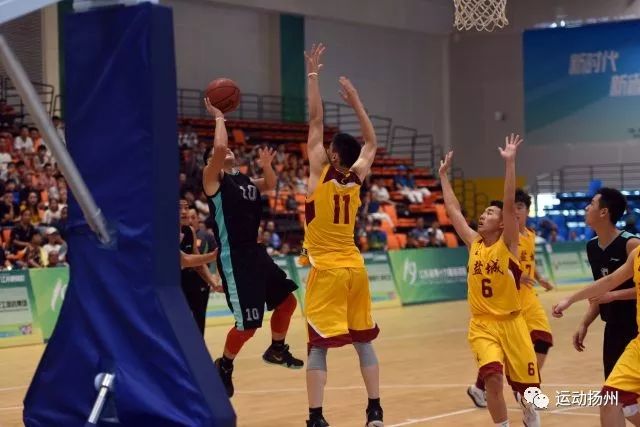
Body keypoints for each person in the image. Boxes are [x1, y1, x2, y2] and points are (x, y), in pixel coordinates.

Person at [202, 98, 303, 398]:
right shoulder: (213, 180)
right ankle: (224, 365)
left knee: (288, 302)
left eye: (229, 151)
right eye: (220, 153)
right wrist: (219, 117)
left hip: (256, 253)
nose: (227, 152)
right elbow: (220, 148)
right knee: (247, 326)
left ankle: (277, 349)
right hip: (235, 258)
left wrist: (268, 166)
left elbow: (269, 185)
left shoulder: (243, 180)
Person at [303, 43, 382, 427]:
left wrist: (313, 75)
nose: (326, 144)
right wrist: (356, 102)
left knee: (318, 346)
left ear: (333, 155)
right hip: (355, 269)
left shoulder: (320, 169)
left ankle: (316, 417)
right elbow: (372, 143)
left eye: (330, 146)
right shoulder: (357, 176)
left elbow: (315, 118)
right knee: (363, 340)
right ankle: (375, 410)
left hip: (328, 271)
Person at [439, 135, 540, 427]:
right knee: (493, 379)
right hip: (482, 325)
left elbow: (508, 203)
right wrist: (443, 177)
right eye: (483, 212)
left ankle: (529, 411)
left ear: (503, 223)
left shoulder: (508, 244)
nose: (483, 216)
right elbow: (454, 211)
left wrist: (510, 163)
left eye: (490, 213)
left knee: (528, 392)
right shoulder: (474, 243)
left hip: (512, 323)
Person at [467, 188, 554, 409]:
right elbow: (507, 264)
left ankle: (524, 388)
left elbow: (528, 263)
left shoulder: (531, 235)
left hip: (529, 298)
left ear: (527, 211)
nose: (515, 211)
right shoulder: (507, 237)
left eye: (520, 207)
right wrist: (518, 274)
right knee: (502, 350)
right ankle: (483, 387)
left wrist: (540, 278)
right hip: (508, 300)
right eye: (512, 207)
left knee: (543, 340)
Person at [553, 246, 640, 426]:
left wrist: (614, 295)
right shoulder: (637, 254)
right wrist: (569, 299)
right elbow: (609, 280)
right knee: (610, 400)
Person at [572, 188, 640, 380]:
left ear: (604, 212)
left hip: (635, 327)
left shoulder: (632, 245)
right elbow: (600, 290)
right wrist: (585, 323)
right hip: (613, 327)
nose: (586, 208)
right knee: (612, 387)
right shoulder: (592, 247)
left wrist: (613, 295)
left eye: (592, 203)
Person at [179, 199, 221, 336]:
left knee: (198, 319)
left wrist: (214, 283)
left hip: (189, 282)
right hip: (166, 285)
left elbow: (198, 265)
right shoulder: (164, 232)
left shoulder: (189, 231)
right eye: (180, 208)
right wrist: (212, 256)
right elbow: (184, 260)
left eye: (186, 208)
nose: (184, 212)